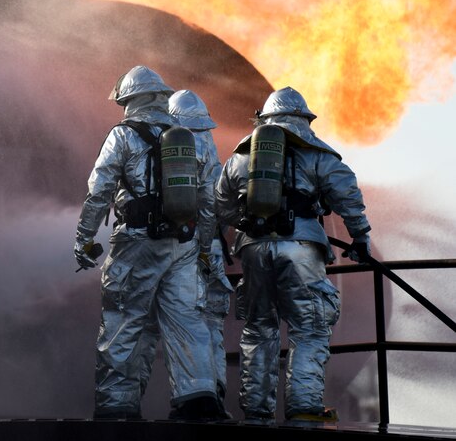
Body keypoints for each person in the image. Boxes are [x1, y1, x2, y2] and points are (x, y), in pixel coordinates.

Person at [214, 86, 372, 423]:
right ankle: (303, 407)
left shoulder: (242, 156)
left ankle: (256, 411)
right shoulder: (316, 152)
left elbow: (221, 204)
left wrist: (243, 226)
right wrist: (360, 238)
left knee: (258, 328)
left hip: (253, 249)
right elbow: (347, 194)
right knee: (310, 327)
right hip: (300, 248)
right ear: (304, 120)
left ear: (264, 119)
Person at [73, 65, 222, 420]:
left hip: (138, 243)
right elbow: (208, 199)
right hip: (183, 245)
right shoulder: (190, 137)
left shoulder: (123, 135)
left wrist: (84, 239)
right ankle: (198, 399)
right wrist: (201, 246)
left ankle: (117, 406)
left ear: (129, 100)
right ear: (161, 98)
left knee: (124, 320)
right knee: (187, 320)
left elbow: (99, 191)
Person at [133, 89, 234, 420]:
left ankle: (125, 403)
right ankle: (211, 397)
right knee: (206, 327)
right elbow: (214, 202)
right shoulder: (208, 146)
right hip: (205, 248)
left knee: (147, 325)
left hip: (168, 247)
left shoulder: (164, 144)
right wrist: (207, 248)